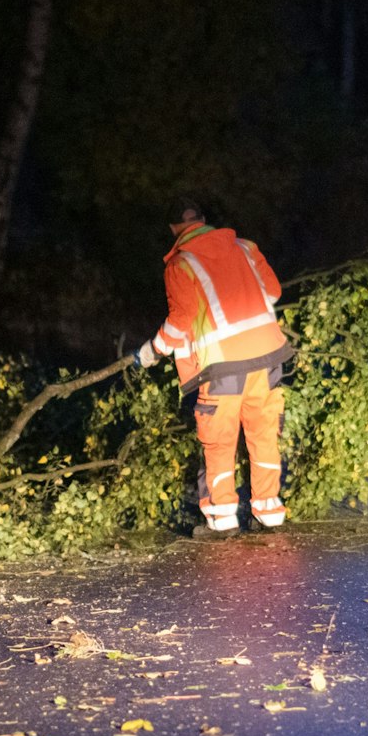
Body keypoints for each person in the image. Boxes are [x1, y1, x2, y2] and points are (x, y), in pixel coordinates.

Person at [133, 198, 294, 535]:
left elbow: (180, 322)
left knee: (219, 442)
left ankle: (222, 520)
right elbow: (274, 293)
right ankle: (269, 513)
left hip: (224, 366)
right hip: (268, 358)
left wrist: (153, 350)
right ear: (204, 220)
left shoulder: (180, 265)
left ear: (174, 229)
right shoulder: (246, 247)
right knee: (263, 435)